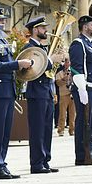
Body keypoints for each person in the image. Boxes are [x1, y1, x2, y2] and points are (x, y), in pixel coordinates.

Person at [0, 8, 32, 180]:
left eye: (3, 20)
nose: (2, 23)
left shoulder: (2, 40)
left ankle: (2, 162)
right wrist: (18, 64)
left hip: (7, 90)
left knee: (5, 131)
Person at [23, 16, 62, 174]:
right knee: (38, 129)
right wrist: (51, 60)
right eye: (43, 28)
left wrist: (59, 62)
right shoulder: (28, 47)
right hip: (36, 92)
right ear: (35, 30)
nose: (46, 30)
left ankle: (45, 160)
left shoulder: (43, 48)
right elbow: (34, 69)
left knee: (47, 128)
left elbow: (48, 71)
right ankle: (36, 163)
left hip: (46, 91)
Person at [68, 15, 92, 165]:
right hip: (85, 88)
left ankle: (91, 152)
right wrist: (82, 89)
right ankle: (81, 156)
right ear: (84, 27)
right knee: (84, 121)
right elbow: (76, 68)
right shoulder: (78, 43)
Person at [55, 62, 75, 137]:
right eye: (66, 63)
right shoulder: (60, 73)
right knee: (62, 113)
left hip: (72, 94)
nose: (67, 64)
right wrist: (64, 79)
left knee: (73, 114)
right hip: (63, 94)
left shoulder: (73, 71)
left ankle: (72, 130)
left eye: (68, 63)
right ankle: (61, 130)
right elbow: (57, 83)